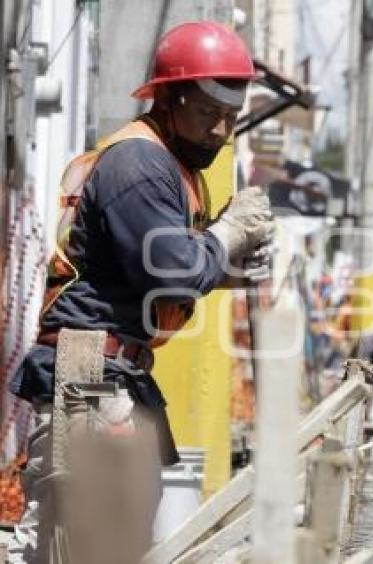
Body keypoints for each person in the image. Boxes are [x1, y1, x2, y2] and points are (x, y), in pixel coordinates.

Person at [7, 21, 274, 563]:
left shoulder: (172, 167)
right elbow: (172, 273)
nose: (221, 130)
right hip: (89, 372)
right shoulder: (140, 162)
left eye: (230, 116)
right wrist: (227, 235)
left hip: (106, 371)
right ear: (171, 98)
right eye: (207, 113)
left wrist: (228, 265)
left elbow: (146, 273)